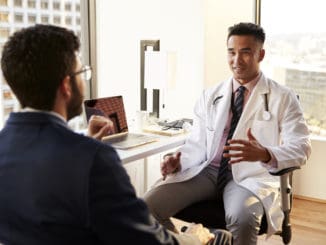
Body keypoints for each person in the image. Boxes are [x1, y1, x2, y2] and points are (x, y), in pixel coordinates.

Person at [0, 24, 232, 245]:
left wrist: (85, 144)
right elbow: (145, 241)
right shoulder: (94, 159)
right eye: (82, 72)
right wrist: (194, 237)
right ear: (66, 86)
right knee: (220, 237)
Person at [144, 22, 312, 245]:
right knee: (146, 206)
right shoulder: (211, 95)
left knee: (241, 219)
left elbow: (302, 147)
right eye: (231, 52)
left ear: (260, 54)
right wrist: (178, 160)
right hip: (207, 171)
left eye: (245, 52)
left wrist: (265, 154)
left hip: (248, 177)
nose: (236, 60)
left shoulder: (283, 97)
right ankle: (192, 241)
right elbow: (196, 142)